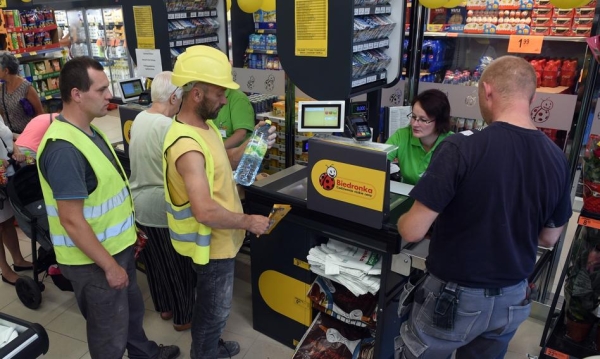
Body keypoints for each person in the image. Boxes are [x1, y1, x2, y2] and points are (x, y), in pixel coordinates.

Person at [396, 56, 572, 359]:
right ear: (531, 96)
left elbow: (412, 230)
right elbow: (549, 238)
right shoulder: (556, 158)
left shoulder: (461, 148)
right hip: (513, 298)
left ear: (487, 90)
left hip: (453, 296)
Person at [37, 57, 180, 359]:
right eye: (101, 90)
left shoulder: (89, 132)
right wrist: (110, 267)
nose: (109, 96)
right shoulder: (64, 149)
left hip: (116, 248)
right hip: (94, 262)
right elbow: (71, 220)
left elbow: (107, 192)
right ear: (77, 94)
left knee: (130, 314)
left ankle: (145, 354)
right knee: (108, 336)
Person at [164, 45, 274, 358]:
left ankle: (211, 345)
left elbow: (223, 160)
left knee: (213, 310)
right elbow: (204, 210)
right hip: (211, 246)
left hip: (222, 239)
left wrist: (255, 145)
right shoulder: (187, 146)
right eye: (220, 93)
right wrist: (248, 221)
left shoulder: (205, 127)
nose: (226, 100)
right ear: (197, 93)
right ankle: (206, 352)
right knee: (213, 312)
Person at [129, 71, 196, 332]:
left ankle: (166, 309)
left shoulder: (140, 118)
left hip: (140, 204)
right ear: (173, 97)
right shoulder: (168, 127)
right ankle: (183, 318)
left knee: (156, 264)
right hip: (162, 206)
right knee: (178, 265)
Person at [385, 89, 453, 185]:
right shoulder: (402, 135)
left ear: (439, 121)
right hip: (407, 196)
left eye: (423, 119)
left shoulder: (453, 144)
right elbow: (379, 161)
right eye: (413, 117)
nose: (415, 124)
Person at [0, 116, 32, 286]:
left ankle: (18, 260)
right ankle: (5, 270)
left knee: (7, 221)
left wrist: (17, 150)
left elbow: (8, 136)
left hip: (8, 177)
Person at [0, 51, 44, 137]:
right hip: (9, 137)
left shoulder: (26, 88)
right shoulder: (2, 88)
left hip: (27, 136)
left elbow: (40, 114)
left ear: (6, 70)